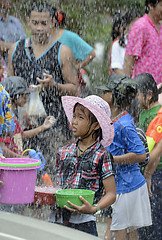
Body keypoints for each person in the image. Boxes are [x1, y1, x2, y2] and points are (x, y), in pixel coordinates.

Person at [8, 2, 79, 173]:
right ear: (28, 22)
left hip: (55, 126)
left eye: (44, 23)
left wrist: (55, 86)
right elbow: (7, 90)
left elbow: (74, 88)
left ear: (53, 24)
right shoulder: (15, 49)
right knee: (22, 171)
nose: (39, 28)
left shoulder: (63, 52)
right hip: (21, 127)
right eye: (35, 23)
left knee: (53, 174)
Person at [49, 95, 116, 236]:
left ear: (96, 125)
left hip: (84, 223)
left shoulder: (102, 155)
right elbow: (58, 186)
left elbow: (111, 194)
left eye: (80, 118)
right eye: (74, 116)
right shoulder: (63, 152)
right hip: (57, 219)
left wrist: (93, 208)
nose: (74, 122)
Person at [96, 73, 152, 240]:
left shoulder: (124, 124)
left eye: (106, 91)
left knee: (119, 231)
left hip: (128, 187)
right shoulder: (114, 119)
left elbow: (141, 154)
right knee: (129, 232)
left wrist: (112, 159)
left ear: (114, 96)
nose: (102, 94)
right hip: (124, 185)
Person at [134, 73, 162, 240]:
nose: (134, 99)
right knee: (145, 220)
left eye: (137, 95)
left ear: (149, 95)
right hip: (147, 172)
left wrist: (148, 174)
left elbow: (157, 152)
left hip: (156, 174)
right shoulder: (145, 111)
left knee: (154, 220)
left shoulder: (157, 116)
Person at [0, 76, 55, 158]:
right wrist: (21, 158)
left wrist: (43, 127)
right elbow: (2, 148)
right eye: (23, 95)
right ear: (11, 97)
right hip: (8, 163)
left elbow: (19, 136)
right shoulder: (4, 118)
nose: (26, 98)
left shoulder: (11, 115)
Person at [123, 0, 162, 86]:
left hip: (159, 87)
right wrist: (126, 84)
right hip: (143, 87)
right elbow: (129, 57)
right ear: (151, 5)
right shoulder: (141, 26)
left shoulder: (160, 27)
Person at [109, 9, 141, 75]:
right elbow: (116, 68)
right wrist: (129, 81)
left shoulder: (145, 44)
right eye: (135, 25)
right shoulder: (117, 45)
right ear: (126, 26)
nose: (139, 28)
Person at [0, 0, 26, 66]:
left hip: (17, 65)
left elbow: (25, 43)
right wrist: (18, 47)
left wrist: (7, 46)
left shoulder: (15, 21)